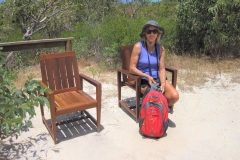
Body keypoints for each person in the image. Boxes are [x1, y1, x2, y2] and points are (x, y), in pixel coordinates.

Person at [129, 20, 179, 107]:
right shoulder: (138, 46)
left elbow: (162, 68)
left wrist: (163, 83)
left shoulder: (161, 49)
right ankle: (154, 109)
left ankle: (159, 109)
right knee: (155, 96)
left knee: (174, 96)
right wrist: (146, 76)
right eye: (149, 31)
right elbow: (132, 68)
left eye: (154, 31)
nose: (151, 34)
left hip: (158, 79)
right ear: (145, 33)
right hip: (143, 79)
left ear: (158, 34)